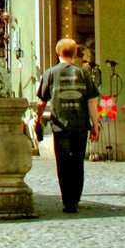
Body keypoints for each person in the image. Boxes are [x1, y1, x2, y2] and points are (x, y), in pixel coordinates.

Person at [35, 38, 100, 214]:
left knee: (63, 162)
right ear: (75, 54)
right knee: (78, 161)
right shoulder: (84, 73)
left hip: (60, 124)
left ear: (58, 53)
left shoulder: (51, 73)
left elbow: (42, 101)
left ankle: (67, 201)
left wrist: (37, 117)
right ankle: (76, 197)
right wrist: (96, 124)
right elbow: (92, 101)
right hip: (80, 123)